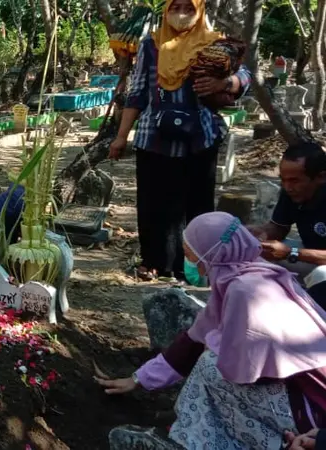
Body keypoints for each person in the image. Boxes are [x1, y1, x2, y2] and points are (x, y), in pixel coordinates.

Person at [95, 212, 326, 449]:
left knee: (210, 366)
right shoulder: (249, 273)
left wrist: (216, 344)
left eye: (189, 253)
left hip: (313, 412)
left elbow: (244, 372)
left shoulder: (244, 290)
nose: (189, 261)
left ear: (212, 253)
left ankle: (193, 437)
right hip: (305, 397)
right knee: (209, 363)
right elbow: (193, 339)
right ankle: (189, 431)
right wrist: (139, 379)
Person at [108, 0, 252, 282]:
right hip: (155, 136)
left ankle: (195, 265)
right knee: (154, 203)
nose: (182, 12)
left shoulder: (215, 44)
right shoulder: (152, 45)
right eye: (176, 6)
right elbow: (137, 93)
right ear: (166, 10)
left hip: (199, 136)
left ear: (200, 10)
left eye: (189, 7)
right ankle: (155, 262)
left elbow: (244, 77)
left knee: (196, 204)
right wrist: (121, 136)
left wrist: (224, 84)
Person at [248, 141, 326, 308]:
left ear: (321, 177)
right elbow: (279, 227)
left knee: (321, 276)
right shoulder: (291, 192)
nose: (288, 187)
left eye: (294, 180)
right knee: (255, 254)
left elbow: (291, 252)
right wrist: (259, 234)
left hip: (318, 263)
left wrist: (292, 253)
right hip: (310, 254)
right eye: (283, 180)